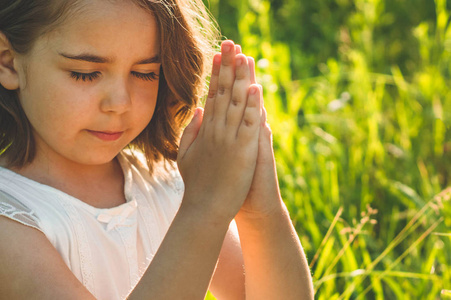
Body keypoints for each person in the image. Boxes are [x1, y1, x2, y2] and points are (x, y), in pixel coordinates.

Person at [0, 0, 314, 299]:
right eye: (86, 73)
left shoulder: (164, 182)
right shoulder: (10, 222)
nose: (120, 103)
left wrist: (259, 206)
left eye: (144, 73)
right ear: (8, 61)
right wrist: (205, 208)